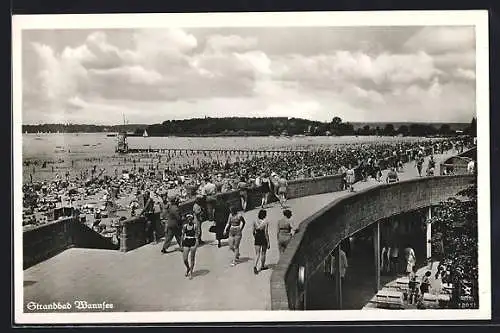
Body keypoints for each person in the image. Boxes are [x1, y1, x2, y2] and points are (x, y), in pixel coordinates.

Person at [181, 214, 199, 279]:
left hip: (193, 241)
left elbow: (196, 235)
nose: (189, 220)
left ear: (192, 219)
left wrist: (197, 243)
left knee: (192, 258)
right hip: (186, 241)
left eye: (190, 219)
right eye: (188, 219)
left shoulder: (195, 226)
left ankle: (191, 272)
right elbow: (182, 235)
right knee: (185, 259)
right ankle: (188, 268)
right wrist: (181, 244)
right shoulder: (185, 226)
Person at [253, 209, 270, 274]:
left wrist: (255, 237)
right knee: (263, 253)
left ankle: (255, 266)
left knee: (257, 254)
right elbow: (266, 233)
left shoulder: (255, 221)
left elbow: (253, 231)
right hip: (263, 237)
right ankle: (262, 266)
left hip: (257, 236)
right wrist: (268, 242)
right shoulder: (265, 222)